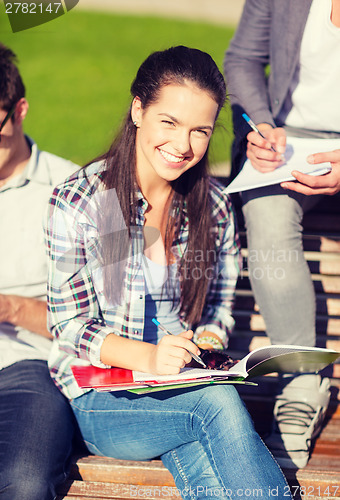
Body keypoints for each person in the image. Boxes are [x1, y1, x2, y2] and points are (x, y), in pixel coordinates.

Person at [45, 46, 292, 499]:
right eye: (169, 122)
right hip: (105, 395)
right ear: (138, 110)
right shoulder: (82, 201)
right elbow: (68, 325)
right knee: (215, 406)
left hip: (184, 389)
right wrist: (148, 358)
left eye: (200, 131)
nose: (183, 146)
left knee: (209, 461)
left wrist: (207, 347)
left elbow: (217, 308)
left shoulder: (213, 207)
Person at [224, 0, 340, 469]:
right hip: (289, 142)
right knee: (267, 215)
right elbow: (243, 60)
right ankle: (300, 379)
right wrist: (260, 124)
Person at [0, 43, 79, 499]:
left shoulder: (75, 190)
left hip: (30, 368)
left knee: (24, 485)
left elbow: (107, 321)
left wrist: (10, 307)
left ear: (20, 110)